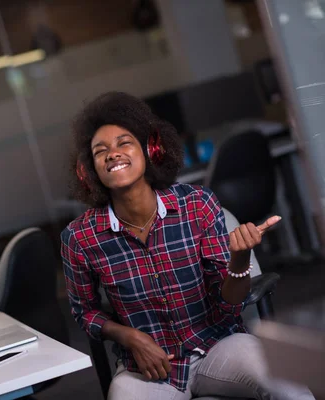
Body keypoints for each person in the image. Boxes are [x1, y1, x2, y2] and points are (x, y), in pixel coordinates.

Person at [60, 92, 314, 400]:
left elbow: (231, 305)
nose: (112, 153)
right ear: (89, 170)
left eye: (124, 143)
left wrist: (239, 258)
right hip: (148, 369)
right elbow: (83, 311)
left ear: (150, 150)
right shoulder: (80, 237)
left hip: (218, 345)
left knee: (288, 382)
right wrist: (129, 337)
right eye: (101, 151)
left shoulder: (197, 204)